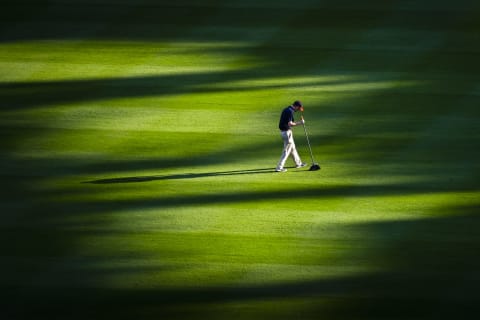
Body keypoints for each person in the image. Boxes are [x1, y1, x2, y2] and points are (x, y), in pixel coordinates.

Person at [275, 100, 307, 172]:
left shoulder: (287, 109)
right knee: (286, 151)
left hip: (286, 132)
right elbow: (290, 124)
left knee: (292, 148)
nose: (298, 110)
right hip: (286, 133)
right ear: (296, 106)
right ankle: (279, 167)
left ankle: (298, 163)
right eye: (298, 109)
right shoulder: (289, 111)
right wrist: (300, 123)